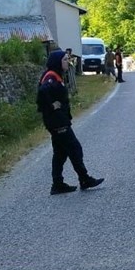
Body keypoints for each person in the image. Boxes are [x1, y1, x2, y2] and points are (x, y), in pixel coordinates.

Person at [37, 50, 104, 195]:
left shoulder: (54, 75)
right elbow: (42, 92)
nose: (68, 62)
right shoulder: (51, 77)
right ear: (57, 62)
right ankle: (84, 179)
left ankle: (57, 184)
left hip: (57, 121)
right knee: (74, 148)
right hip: (58, 122)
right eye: (65, 60)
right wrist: (51, 106)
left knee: (60, 152)